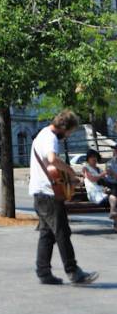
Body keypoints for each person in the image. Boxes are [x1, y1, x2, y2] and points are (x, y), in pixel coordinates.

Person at [29, 110, 98, 285]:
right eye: (69, 132)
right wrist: (70, 171)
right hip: (49, 195)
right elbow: (52, 159)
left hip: (40, 193)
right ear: (64, 127)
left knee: (47, 234)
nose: (67, 136)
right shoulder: (50, 137)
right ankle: (74, 272)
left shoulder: (42, 135)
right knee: (62, 232)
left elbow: (50, 165)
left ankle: (43, 272)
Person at [81, 149, 117, 227]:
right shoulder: (85, 168)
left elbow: (106, 181)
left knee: (114, 193)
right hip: (95, 194)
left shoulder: (99, 169)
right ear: (88, 158)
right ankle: (113, 215)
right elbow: (92, 179)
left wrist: (112, 174)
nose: (94, 159)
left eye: (95, 157)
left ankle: (113, 215)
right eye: (92, 157)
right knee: (114, 196)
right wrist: (103, 174)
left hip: (103, 193)